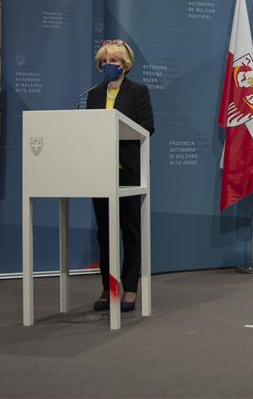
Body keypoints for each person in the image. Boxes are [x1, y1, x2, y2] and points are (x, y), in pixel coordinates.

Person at [85, 39, 155, 313]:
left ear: (124, 65)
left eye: (112, 61)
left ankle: (130, 287)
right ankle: (109, 287)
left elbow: (148, 127)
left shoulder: (138, 91)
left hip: (128, 171)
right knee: (104, 233)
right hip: (99, 170)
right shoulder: (93, 94)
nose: (107, 65)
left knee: (130, 231)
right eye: (103, 62)